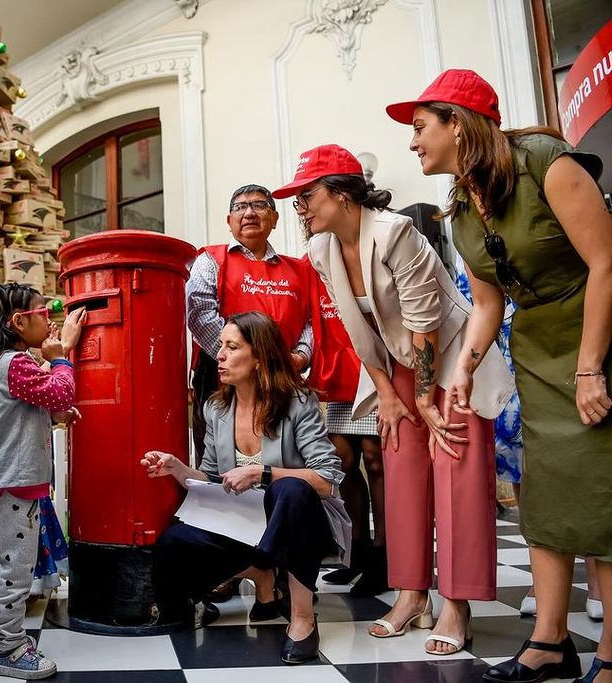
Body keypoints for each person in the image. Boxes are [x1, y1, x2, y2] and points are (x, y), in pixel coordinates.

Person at [386, 69, 612, 682]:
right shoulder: (463, 208)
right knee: (546, 492)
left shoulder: (544, 160)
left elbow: (604, 261)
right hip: (536, 347)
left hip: (594, 333)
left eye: (420, 128)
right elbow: (487, 305)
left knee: (598, 490)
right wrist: (462, 372)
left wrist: (591, 368)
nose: (413, 143)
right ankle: (549, 641)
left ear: (456, 124)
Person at [274, 143, 515, 656]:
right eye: (297, 200)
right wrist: (387, 393)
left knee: (456, 470)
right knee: (402, 470)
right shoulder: (320, 250)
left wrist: (427, 397)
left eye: (307, 196)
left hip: (449, 359)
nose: (301, 208)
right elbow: (360, 330)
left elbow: (426, 324)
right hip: (393, 366)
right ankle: (410, 593)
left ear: (341, 194)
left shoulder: (394, 232)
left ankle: (456, 604)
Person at [142, 311, 350, 665]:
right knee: (172, 543)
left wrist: (261, 473)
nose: (219, 355)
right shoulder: (216, 408)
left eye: (232, 347)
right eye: (220, 346)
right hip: (243, 522)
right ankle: (261, 571)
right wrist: (176, 468)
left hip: (297, 521)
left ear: (259, 358)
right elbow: (211, 477)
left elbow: (327, 480)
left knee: (292, 492)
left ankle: (302, 619)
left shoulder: (298, 403)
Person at [0, 284, 86, 680]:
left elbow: (36, 406)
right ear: (20, 322)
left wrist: (56, 411)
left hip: (5, 479)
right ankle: (9, 647)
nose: (50, 320)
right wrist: (61, 356)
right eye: (44, 312)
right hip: (15, 481)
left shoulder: (0, 363)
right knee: (15, 568)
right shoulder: (15, 362)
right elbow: (59, 392)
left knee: (5, 561)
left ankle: (0, 636)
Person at [186, 184, 313, 462]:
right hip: (219, 375)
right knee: (218, 462)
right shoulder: (210, 259)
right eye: (239, 207)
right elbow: (200, 314)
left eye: (259, 205)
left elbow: (310, 321)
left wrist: (301, 357)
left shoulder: (300, 270)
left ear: (275, 218)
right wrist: (240, 358)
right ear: (229, 221)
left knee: (286, 456)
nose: (249, 213)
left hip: (282, 375)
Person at [301, 257, 387, 596]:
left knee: (374, 457)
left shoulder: (362, 245)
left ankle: (384, 557)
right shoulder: (313, 259)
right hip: (337, 368)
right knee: (344, 460)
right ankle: (355, 553)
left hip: (372, 364)